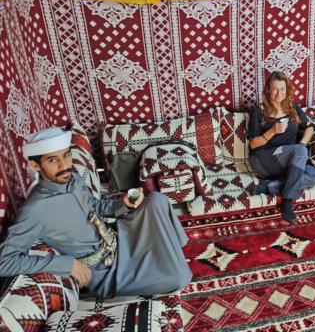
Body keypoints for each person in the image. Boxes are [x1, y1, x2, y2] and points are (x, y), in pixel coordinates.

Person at [0, 127, 192, 299]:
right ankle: (169, 257)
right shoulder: (35, 210)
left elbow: (95, 207)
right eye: (53, 160)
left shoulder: (73, 179)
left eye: (66, 155)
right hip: (107, 272)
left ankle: (174, 251)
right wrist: (67, 264)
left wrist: (124, 204)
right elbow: (4, 262)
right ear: (36, 165)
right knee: (179, 278)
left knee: (157, 200)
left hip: (119, 239)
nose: (64, 166)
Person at [248, 71, 315, 224]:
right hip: (263, 159)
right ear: (268, 90)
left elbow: (309, 127)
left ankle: (268, 187)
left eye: (282, 89)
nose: (279, 93)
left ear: (287, 90)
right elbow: (253, 144)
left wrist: (302, 144)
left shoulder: (292, 107)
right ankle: (288, 200)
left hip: (290, 158)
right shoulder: (259, 111)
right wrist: (272, 131)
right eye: (274, 89)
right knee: (299, 151)